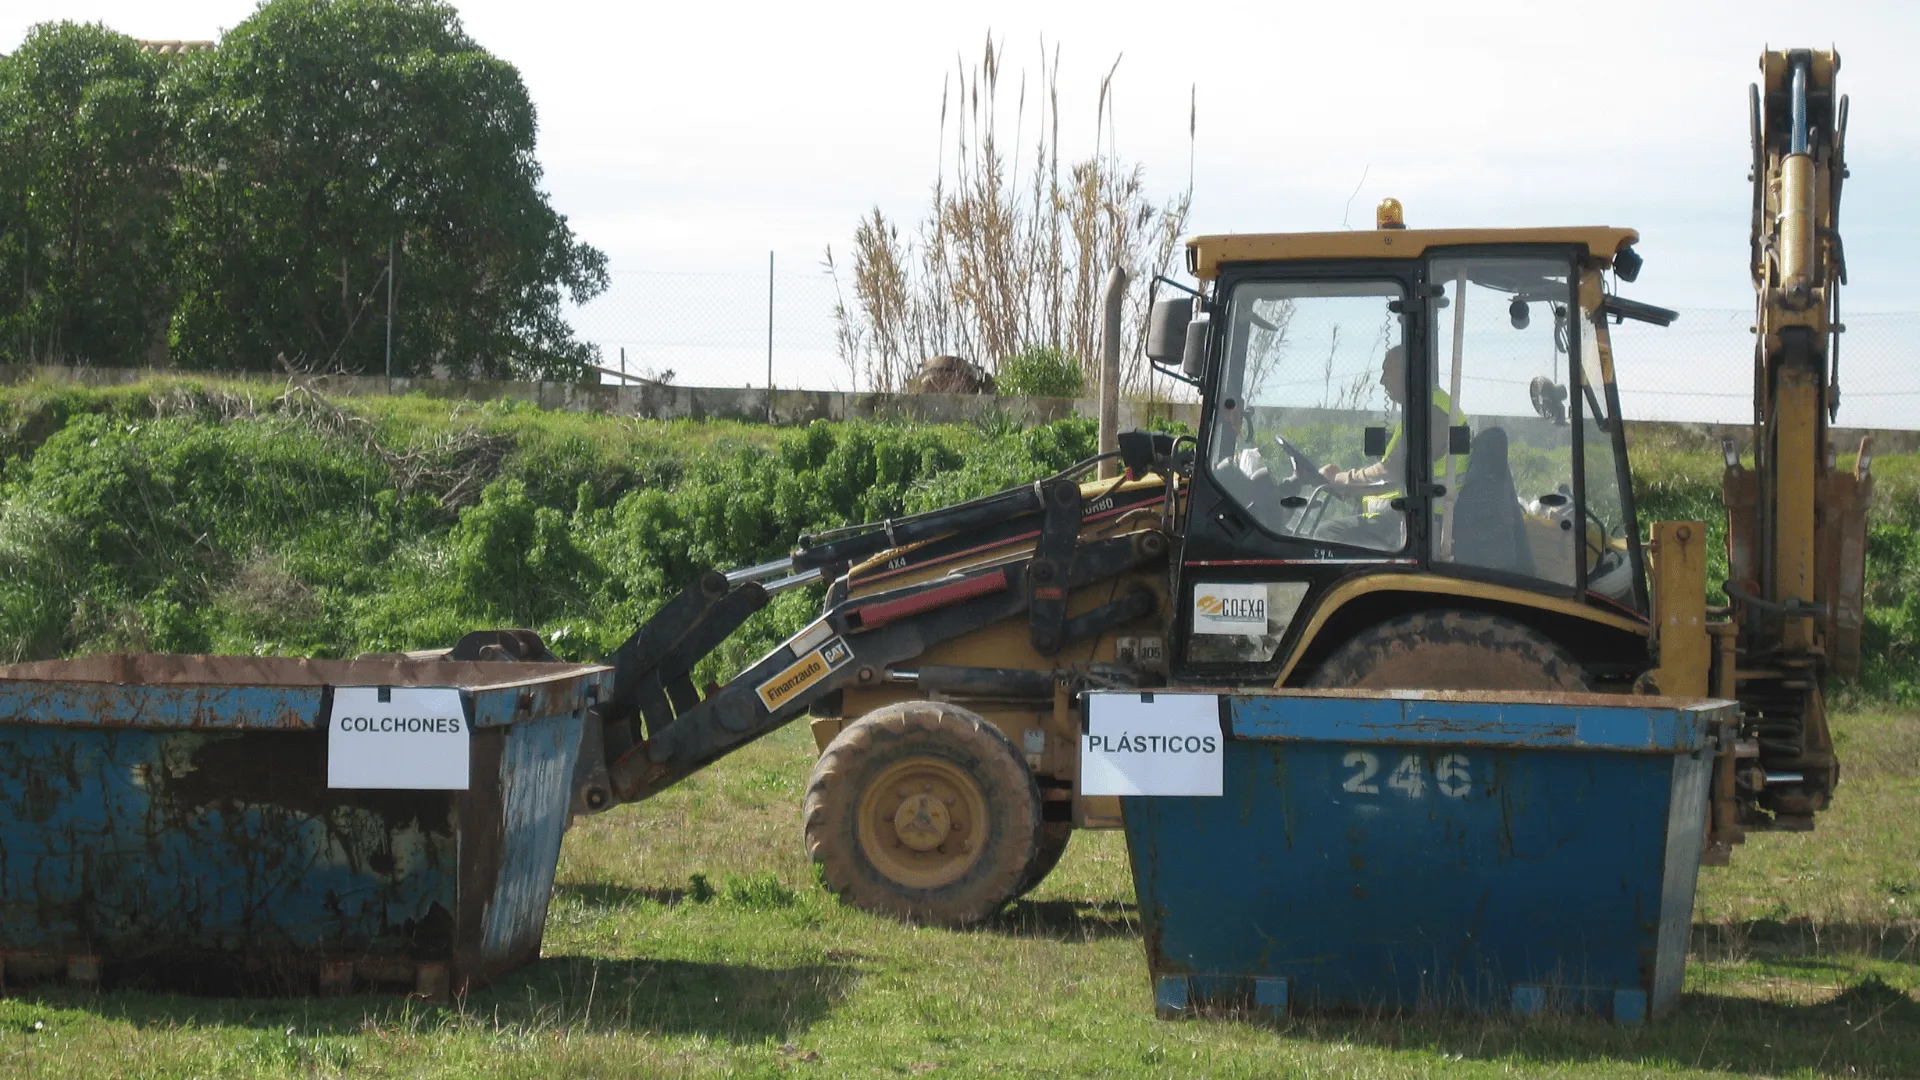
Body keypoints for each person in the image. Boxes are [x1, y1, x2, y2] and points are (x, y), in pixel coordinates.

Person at [1314, 344, 1461, 549]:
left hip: (1422, 523)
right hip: (1414, 514)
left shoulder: (1431, 412)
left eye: (1387, 372)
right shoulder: (1427, 406)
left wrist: (1338, 479)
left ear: (1407, 372)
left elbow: (1391, 471)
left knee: (1326, 533)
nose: (1382, 381)